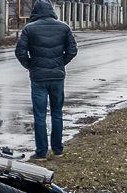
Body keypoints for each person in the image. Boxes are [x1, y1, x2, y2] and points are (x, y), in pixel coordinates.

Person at [15, 0, 77, 161]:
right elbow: (72, 50)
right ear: (51, 10)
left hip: (38, 77)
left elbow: (20, 52)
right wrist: (61, 63)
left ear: (35, 11)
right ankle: (58, 150)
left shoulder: (29, 29)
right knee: (57, 113)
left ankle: (41, 152)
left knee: (40, 115)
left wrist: (30, 65)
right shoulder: (64, 27)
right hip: (57, 77)